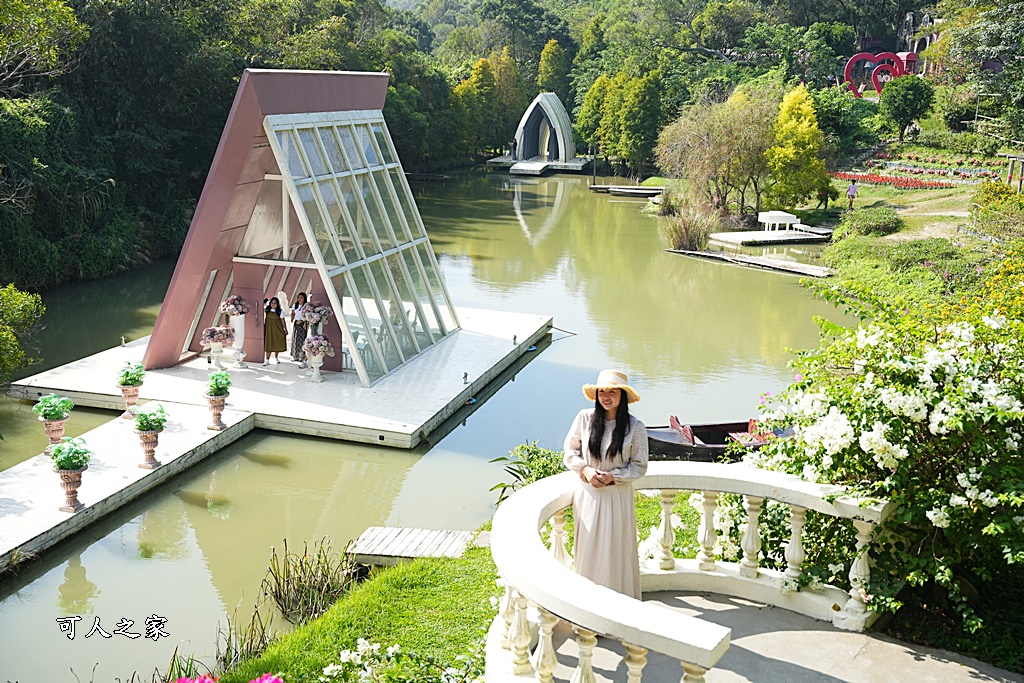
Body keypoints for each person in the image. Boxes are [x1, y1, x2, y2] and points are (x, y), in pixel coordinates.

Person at [563, 369, 649, 599]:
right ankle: (587, 607)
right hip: (589, 496)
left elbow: (640, 465)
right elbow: (569, 452)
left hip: (617, 497)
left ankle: (618, 605)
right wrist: (586, 470)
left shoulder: (635, 427)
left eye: (612, 391)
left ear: (623, 396)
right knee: (589, 551)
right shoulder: (584, 418)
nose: (606, 396)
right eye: (602, 391)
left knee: (615, 552)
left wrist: (613, 476)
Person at [263, 297, 287, 366]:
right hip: (269, 329)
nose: (273, 304)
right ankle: (267, 360)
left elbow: (283, 321)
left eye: (275, 303)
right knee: (269, 344)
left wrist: (285, 329)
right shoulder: (267, 310)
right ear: (270, 304)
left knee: (277, 343)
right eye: (272, 303)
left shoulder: (280, 311)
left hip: (277, 329)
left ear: (277, 304)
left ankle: (276, 357)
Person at [290, 292, 309, 369]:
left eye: (301, 297)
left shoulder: (306, 306)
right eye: (298, 297)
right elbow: (293, 313)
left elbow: (307, 316)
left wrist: (303, 322)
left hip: (302, 324)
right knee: (295, 339)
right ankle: (296, 355)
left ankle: (303, 357)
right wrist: (292, 318)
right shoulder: (295, 305)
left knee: (302, 340)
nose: (299, 299)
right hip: (296, 324)